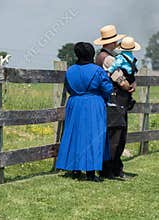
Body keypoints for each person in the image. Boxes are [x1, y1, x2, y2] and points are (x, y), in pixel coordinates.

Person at [55, 42, 113, 182]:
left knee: (75, 135)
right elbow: (107, 88)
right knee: (93, 137)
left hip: (75, 103)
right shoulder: (97, 70)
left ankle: (75, 169)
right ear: (91, 54)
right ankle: (91, 172)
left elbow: (68, 88)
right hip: (93, 104)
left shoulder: (70, 70)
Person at [94, 24, 135, 178]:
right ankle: (110, 169)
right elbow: (120, 79)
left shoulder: (100, 56)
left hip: (110, 99)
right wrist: (129, 86)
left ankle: (113, 168)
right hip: (115, 99)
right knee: (116, 136)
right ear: (112, 42)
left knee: (113, 135)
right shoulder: (109, 59)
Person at [107, 36, 141, 110]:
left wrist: (109, 71)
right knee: (129, 91)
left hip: (124, 75)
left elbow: (116, 65)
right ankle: (130, 99)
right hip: (131, 76)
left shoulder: (121, 57)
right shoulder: (132, 57)